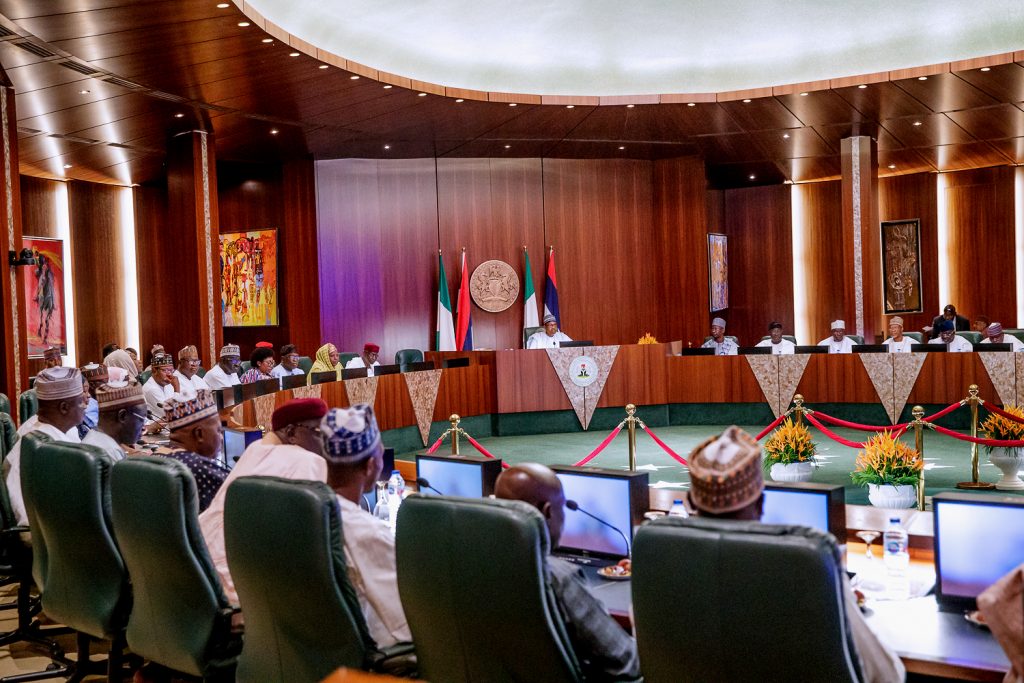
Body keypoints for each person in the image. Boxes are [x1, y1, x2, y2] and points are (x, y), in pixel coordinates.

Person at [686, 426, 905, 683]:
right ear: (760, 503)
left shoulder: (662, 556)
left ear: (690, 502)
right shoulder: (809, 565)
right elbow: (888, 675)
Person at [494, 463, 641, 681]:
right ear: (548, 512)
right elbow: (627, 662)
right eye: (562, 507)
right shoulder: (557, 575)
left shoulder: (470, 561)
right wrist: (640, 625)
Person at [200, 398, 330, 606]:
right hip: (242, 595)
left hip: (204, 577)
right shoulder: (306, 460)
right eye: (319, 432)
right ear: (291, 432)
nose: (326, 440)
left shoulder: (254, 449)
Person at [320, 404, 412, 649]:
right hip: (374, 657)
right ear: (371, 466)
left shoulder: (301, 511)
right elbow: (409, 624)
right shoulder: (367, 532)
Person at [4, 367, 87, 526]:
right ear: (64, 407)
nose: (85, 405)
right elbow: (27, 520)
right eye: (80, 401)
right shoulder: (33, 443)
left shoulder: (67, 430)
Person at [154, 391, 229, 512]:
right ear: (199, 434)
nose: (221, 438)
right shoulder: (199, 468)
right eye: (218, 431)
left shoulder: (157, 455)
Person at [82, 380, 147, 461]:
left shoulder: (96, 438)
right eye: (141, 419)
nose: (143, 427)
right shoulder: (108, 452)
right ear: (122, 416)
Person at [143, 352, 179, 418]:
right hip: (158, 423)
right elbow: (172, 413)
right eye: (165, 370)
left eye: (171, 370)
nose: (169, 374)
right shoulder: (150, 389)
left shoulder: (166, 383)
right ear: (154, 370)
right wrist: (177, 389)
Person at [80, 362, 108, 430]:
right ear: (92, 385)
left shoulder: (98, 400)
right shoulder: (88, 405)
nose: (108, 386)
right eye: (105, 383)